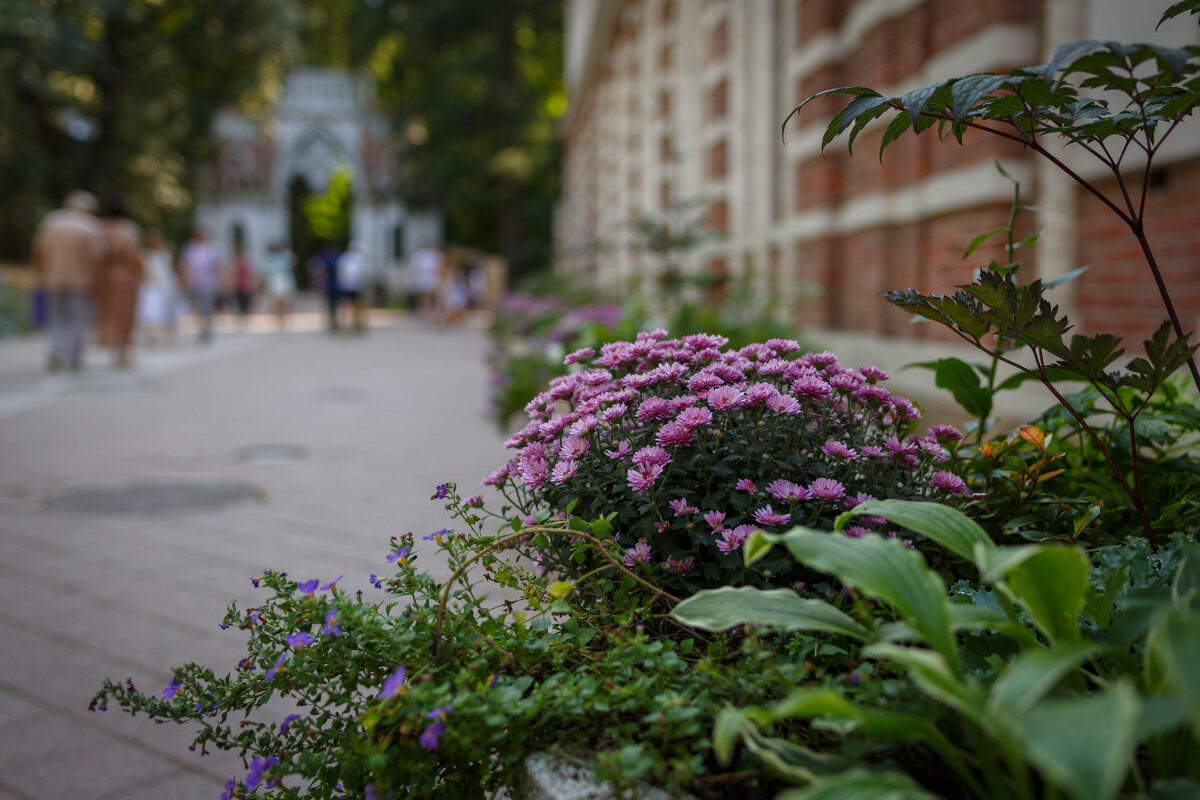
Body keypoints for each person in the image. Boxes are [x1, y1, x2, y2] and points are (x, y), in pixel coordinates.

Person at [30, 191, 104, 372]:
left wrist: (39, 274)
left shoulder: (53, 221)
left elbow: (39, 250)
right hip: (80, 281)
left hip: (53, 278)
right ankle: (73, 355)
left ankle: (59, 352)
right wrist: (96, 281)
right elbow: (95, 258)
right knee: (77, 318)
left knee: (56, 317)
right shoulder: (91, 226)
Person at [95, 197, 143, 368]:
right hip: (125, 275)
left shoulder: (102, 229)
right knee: (124, 313)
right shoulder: (128, 229)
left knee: (109, 312)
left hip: (105, 274)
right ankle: (122, 350)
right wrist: (139, 272)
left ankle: (112, 349)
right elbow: (133, 255)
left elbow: (96, 255)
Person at [179, 227, 225, 344]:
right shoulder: (190, 248)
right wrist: (184, 280)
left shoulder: (211, 248)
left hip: (208, 283)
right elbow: (184, 265)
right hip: (194, 284)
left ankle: (207, 331)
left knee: (207, 307)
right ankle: (201, 329)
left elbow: (217, 266)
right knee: (198, 308)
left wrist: (222, 282)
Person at [137, 228, 181, 346]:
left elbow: (173, 268)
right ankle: (151, 336)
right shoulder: (145, 254)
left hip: (166, 285)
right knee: (150, 312)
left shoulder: (166, 252)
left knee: (168, 311)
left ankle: (170, 334)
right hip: (152, 286)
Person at [261, 240, 296, 330]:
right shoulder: (272, 258)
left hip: (281, 280)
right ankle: (278, 318)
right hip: (276, 280)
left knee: (283, 300)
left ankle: (282, 318)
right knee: (277, 301)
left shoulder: (285, 255)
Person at [336, 241, 369, 334]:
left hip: (345, 285)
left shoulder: (344, 258)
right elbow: (365, 273)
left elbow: (339, 271)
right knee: (356, 305)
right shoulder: (360, 259)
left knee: (345, 305)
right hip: (355, 286)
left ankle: (345, 325)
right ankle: (355, 324)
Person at [309, 242, 342, 333]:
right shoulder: (338, 259)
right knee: (336, 305)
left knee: (330, 305)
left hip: (328, 285)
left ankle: (331, 322)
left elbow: (316, 272)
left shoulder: (324, 259)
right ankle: (335, 322)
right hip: (336, 285)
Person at [232, 246, 256, 324]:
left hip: (245, 285)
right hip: (239, 285)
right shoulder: (237, 263)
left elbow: (250, 274)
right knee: (240, 301)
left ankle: (245, 316)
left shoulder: (247, 263)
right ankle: (242, 316)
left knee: (245, 301)